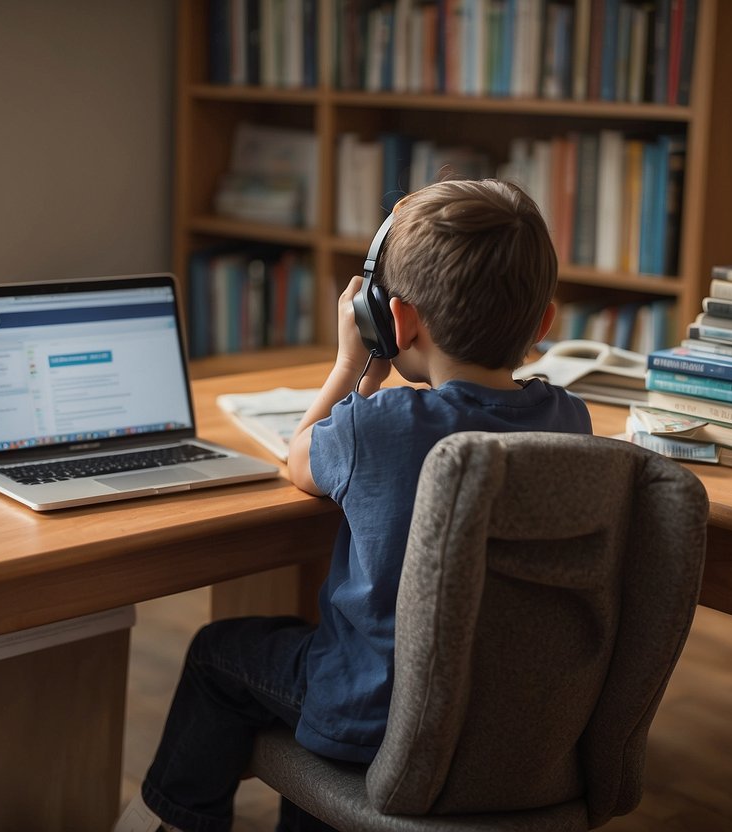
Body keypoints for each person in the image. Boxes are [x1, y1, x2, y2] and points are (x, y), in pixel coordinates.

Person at [115, 178, 592, 832]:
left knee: (215, 655)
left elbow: (299, 460)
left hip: (378, 716)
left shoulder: (381, 424)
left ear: (393, 321)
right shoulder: (570, 419)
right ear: (543, 322)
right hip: (511, 723)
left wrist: (349, 369)